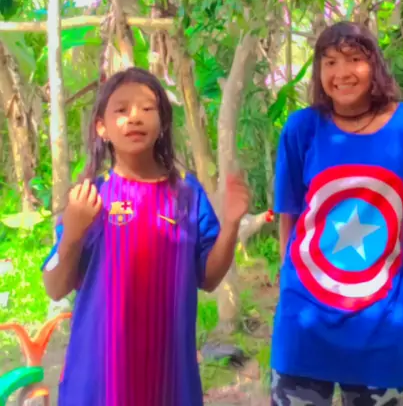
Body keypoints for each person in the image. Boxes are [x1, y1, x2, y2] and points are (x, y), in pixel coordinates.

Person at [271, 21, 403, 406]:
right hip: (306, 312)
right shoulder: (302, 128)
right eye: (330, 62)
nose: (341, 73)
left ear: (374, 66)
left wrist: (387, 275)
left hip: (381, 315)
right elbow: (289, 212)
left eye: (354, 59)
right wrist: (292, 277)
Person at [42, 67, 249, 406]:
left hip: (168, 382)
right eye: (121, 110)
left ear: (163, 122)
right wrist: (73, 234)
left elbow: (209, 278)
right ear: (101, 128)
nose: (135, 117)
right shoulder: (91, 198)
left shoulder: (188, 195)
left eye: (147, 108)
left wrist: (231, 225)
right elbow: (54, 286)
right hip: (98, 383)